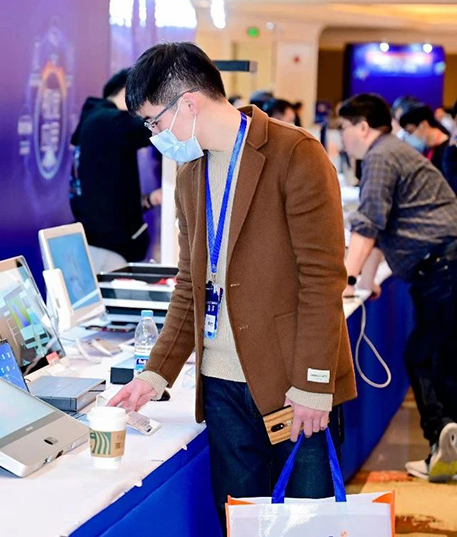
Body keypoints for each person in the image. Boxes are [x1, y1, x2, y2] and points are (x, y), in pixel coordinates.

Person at [108, 42, 356, 528]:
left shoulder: (295, 153)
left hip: (292, 384)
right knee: (240, 523)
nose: (155, 135)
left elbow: (322, 280)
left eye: (154, 121)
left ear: (188, 103)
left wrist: (313, 385)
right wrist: (155, 373)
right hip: (222, 388)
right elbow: (189, 284)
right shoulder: (190, 172)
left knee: (305, 525)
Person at [338, 93, 457, 483]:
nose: (342, 138)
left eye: (344, 128)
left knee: (425, 357)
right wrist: (365, 281)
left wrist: (345, 280)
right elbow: (383, 227)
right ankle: (444, 445)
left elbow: (369, 223)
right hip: (440, 268)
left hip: (443, 267)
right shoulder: (391, 152)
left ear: (362, 127)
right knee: (439, 358)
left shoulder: (381, 156)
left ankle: (443, 441)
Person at [69, 68, 160, 272]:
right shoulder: (108, 121)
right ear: (128, 90)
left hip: (102, 244)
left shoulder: (98, 122)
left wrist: (148, 200)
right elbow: (158, 127)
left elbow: (107, 191)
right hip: (107, 250)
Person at [398, 104, 457, 194]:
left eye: (411, 131)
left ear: (423, 125)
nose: (411, 137)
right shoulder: (426, 149)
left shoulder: (448, 150)